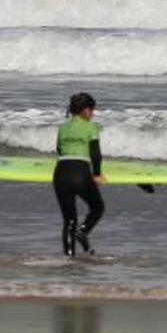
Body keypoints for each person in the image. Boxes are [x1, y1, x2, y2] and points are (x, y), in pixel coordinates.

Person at [54, 92, 105, 257]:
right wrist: (97, 174)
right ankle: (82, 232)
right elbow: (95, 153)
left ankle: (69, 258)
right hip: (80, 172)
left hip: (61, 172)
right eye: (91, 110)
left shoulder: (62, 127)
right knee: (98, 207)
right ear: (85, 110)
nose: (93, 113)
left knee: (69, 220)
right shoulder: (91, 127)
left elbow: (59, 150)